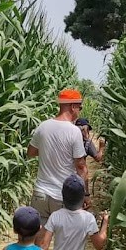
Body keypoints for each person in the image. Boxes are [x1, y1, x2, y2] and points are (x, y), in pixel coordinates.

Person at [28, 88, 90, 225]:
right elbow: (81, 167)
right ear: (73, 106)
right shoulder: (74, 131)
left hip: (40, 194)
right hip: (63, 196)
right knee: (64, 242)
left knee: (40, 242)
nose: (79, 111)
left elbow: (31, 152)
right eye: (79, 107)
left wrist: (48, 150)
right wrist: (84, 195)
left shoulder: (43, 127)